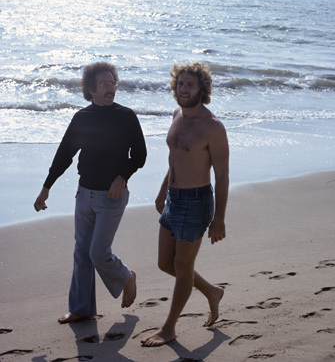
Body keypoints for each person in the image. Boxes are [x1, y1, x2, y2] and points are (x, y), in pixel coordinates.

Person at [34, 62, 147, 324]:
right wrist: (46, 187)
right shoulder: (81, 118)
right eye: (105, 84)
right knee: (82, 252)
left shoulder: (126, 116)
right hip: (84, 193)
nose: (111, 87)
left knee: (98, 253)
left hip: (112, 197)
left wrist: (122, 178)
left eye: (113, 82)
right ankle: (81, 309)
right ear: (91, 90)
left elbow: (139, 155)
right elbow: (65, 154)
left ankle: (127, 276)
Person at [141, 62, 229, 347]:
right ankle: (212, 291)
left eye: (190, 85)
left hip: (196, 201)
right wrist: (162, 189)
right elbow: (175, 157)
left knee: (182, 264)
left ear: (202, 89)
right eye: (180, 84)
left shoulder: (213, 126)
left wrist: (219, 219)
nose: (184, 89)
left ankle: (169, 328)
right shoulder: (177, 114)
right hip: (174, 198)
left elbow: (223, 175)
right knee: (166, 263)